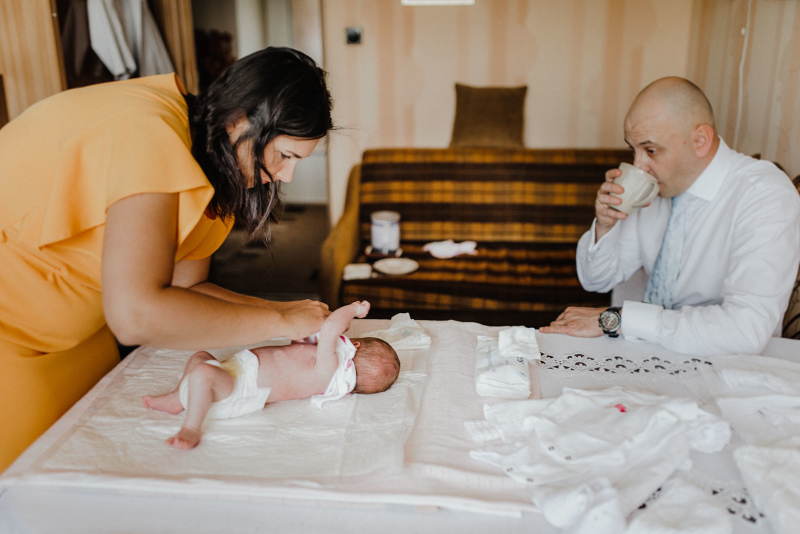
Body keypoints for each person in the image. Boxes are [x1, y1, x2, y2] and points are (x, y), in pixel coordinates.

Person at [0, 47, 334, 471]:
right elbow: (136, 315)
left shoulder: (213, 162)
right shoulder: (150, 135)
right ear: (240, 120)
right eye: (285, 155)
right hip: (11, 335)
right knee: (32, 489)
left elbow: (185, 290)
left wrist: (286, 311)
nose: (286, 175)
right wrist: (281, 323)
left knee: (98, 459)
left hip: (81, 331)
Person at [540, 77, 800, 356]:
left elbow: (745, 330)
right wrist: (605, 225)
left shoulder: (764, 194)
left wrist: (620, 320)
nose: (639, 166)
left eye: (651, 150)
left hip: (728, 368)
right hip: (647, 354)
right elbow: (596, 280)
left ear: (700, 140)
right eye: (633, 149)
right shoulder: (656, 188)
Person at [142, 301, 400, 450]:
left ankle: (190, 428)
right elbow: (295, 343)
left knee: (201, 372)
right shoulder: (323, 366)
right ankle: (178, 398)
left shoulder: (330, 368)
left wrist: (354, 308)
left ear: (354, 345)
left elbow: (332, 325)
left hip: (237, 391)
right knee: (200, 356)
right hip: (233, 374)